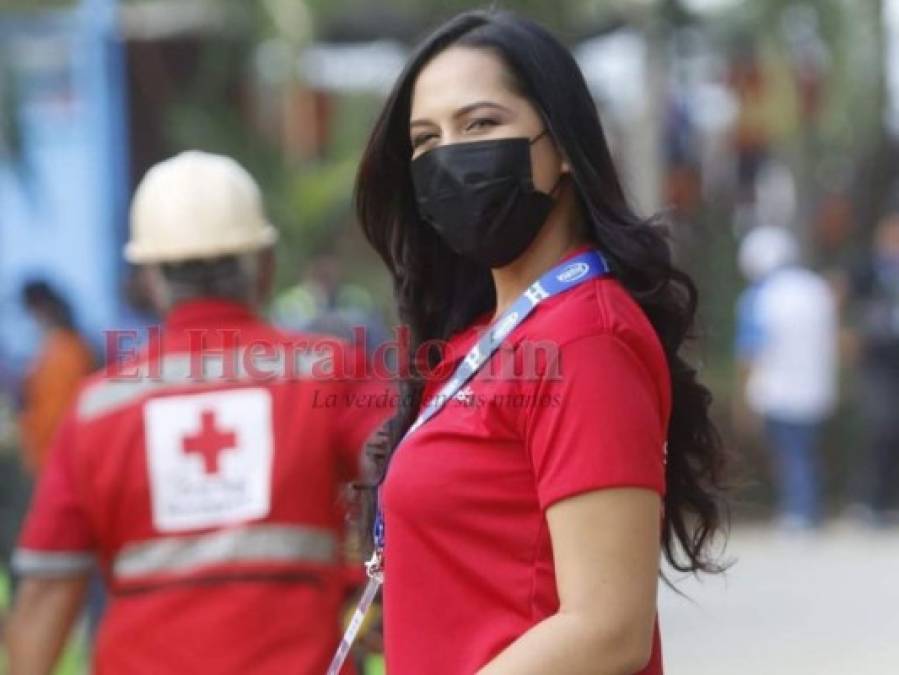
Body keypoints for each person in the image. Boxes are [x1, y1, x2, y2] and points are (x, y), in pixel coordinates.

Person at [353, 11, 727, 675]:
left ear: (559, 145)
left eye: (479, 124)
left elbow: (608, 628)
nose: (448, 155)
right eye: (423, 139)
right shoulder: (479, 344)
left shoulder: (585, 335)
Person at [6, 151, 389, 674]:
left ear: (148, 278)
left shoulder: (98, 408)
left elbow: (44, 598)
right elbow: (416, 487)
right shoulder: (332, 373)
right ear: (266, 263)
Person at [735, 225, 838, 529]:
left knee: (789, 455)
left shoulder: (759, 297)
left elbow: (750, 351)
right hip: (816, 388)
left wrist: (744, 398)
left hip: (776, 390)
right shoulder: (816, 288)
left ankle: (799, 512)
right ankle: (808, 507)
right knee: (807, 452)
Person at [846, 210, 899, 524]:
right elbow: (843, 299)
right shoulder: (865, 270)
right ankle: (869, 500)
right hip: (878, 359)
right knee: (881, 425)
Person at [18, 281, 95, 475]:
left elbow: (56, 415)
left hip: (58, 462)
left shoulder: (65, 350)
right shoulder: (54, 348)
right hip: (52, 459)